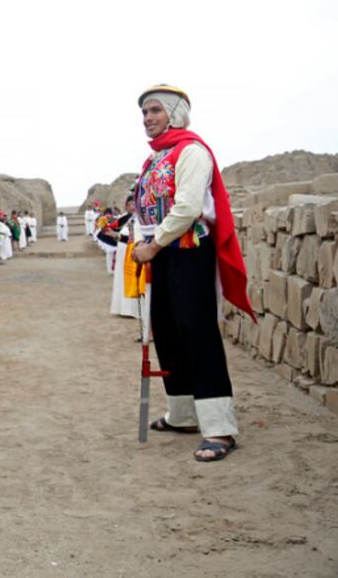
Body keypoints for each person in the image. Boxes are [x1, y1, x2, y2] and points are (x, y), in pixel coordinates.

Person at [131, 84, 255, 463]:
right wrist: (143, 243)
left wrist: (153, 244)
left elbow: (186, 207)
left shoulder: (192, 151)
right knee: (166, 331)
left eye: (154, 110)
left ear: (174, 111)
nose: (147, 119)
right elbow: (142, 207)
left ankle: (219, 427)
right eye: (144, 113)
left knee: (198, 332)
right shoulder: (154, 160)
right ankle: (182, 414)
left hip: (188, 250)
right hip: (161, 254)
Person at [109, 198, 141, 319]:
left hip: (132, 253)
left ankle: (134, 310)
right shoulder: (125, 220)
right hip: (122, 253)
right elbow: (121, 238)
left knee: (133, 278)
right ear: (126, 207)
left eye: (134, 204)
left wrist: (117, 236)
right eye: (129, 204)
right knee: (121, 279)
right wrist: (113, 235)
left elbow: (133, 239)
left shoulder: (139, 219)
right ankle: (123, 309)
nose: (132, 206)